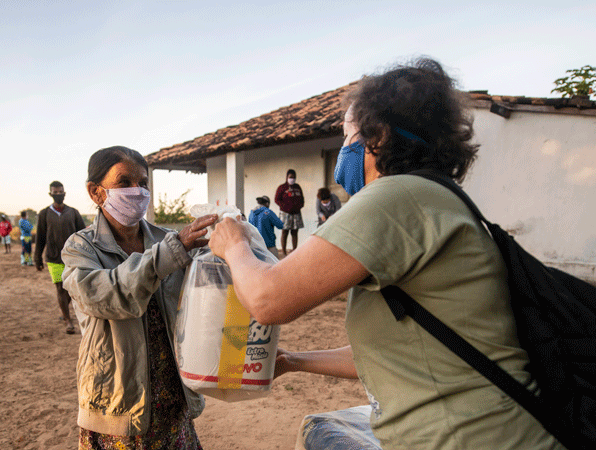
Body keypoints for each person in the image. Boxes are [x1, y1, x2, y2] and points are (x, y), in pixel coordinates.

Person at [208, 58, 561, 450]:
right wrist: (293, 360)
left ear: (378, 134)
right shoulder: (434, 198)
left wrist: (235, 243)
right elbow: (394, 354)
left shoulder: (395, 196)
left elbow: (267, 299)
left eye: (346, 136)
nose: (344, 149)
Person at [61, 145, 217, 448]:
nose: (137, 191)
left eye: (143, 182)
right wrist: (172, 252)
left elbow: (202, 294)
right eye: (124, 182)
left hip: (172, 391)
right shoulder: (80, 248)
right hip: (119, 396)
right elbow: (106, 296)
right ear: (96, 192)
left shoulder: (165, 239)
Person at [34, 180, 86, 334]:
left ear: (65, 193)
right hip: (53, 257)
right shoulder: (44, 214)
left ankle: (65, 311)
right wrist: (37, 258)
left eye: (60, 192)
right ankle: (68, 320)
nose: (58, 195)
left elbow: (83, 234)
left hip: (73, 257)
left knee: (72, 289)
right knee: (60, 288)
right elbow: (40, 237)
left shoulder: (73, 212)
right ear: (51, 194)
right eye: (55, 193)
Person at [274, 168, 304, 256]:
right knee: (285, 232)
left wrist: (300, 206)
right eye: (290, 177)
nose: (292, 179)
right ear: (287, 177)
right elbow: (277, 199)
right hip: (285, 213)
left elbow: (302, 199)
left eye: (294, 177)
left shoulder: (298, 187)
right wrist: (285, 207)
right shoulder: (282, 187)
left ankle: (295, 251)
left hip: (296, 213)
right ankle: (283, 252)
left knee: (295, 232)